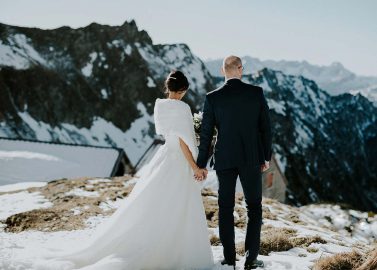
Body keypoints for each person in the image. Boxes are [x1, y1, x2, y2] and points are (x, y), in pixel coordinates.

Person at [11, 70, 214, 270]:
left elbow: (167, 134)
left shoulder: (160, 106)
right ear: (183, 90)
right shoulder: (182, 108)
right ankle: (175, 250)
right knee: (178, 203)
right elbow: (182, 142)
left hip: (164, 158)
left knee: (155, 201)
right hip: (178, 161)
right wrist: (195, 166)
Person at [195, 56, 272, 270]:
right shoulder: (256, 93)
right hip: (251, 158)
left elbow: (207, 134)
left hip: (225, 159)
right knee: (254, 208)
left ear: (223, 70)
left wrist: (200, 163)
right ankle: (250, 259)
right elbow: (266, 128)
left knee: (225, 208)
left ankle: (229, 259)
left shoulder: (213, 98)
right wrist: (265, 156)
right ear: (240, 69)